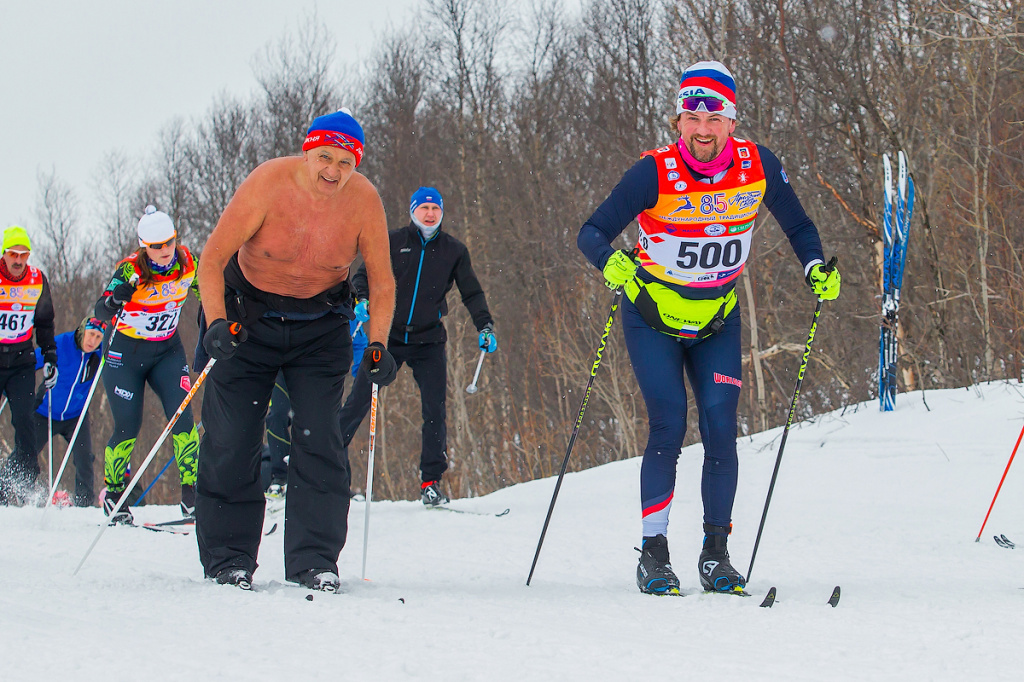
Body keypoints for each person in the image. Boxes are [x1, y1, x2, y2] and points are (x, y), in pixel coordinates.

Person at [577, 61, 840, 595]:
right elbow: (592, 232)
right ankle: (654, 554)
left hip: (718, 318)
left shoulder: (758, 164)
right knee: (669, 424)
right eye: (692, 116)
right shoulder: (652, 172)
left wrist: (815, 268)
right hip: (652, 319)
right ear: (678, 121)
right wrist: (611, 263)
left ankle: (715, 555)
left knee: (722, 429)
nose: (702, 128)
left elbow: (800, 225)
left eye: (713, 116)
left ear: (731, 121)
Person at [195, 109, 397, 592]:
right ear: (308, 151)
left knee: (320, 440)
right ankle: (229, 558)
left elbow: (385, 281)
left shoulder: (364, 201)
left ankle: (314, 559)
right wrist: (217, 322)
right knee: (233, 438)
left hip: (319, 327)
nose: (333, 170)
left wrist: (379, 345)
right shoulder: (268, 182)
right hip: (249, 320)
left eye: (344, 162)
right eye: (325, 157)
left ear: (357, 164)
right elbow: (212, 257)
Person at [338, 186, 497, 506]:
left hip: (429, 339)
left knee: (434, 410)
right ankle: (325, 468)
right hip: (389, 335)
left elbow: (472, 293)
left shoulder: (454, 250)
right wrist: (362, 299)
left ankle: (431, 482)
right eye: (424, 208)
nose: (430, 214)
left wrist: (485, 325)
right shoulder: (393, 241)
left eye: (435, 209)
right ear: (413, 212)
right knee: (359, 399)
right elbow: (362, 275)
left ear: (442, 213)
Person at [93, 206, 201, 524]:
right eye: (156, 246)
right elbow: (101, 310)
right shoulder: (130, 271)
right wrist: (114, 300)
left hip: (167, 352)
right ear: (144, 246)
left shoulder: (188, 263)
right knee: (128, 426)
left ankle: (192, 495)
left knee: (182, 419)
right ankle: (114, 494)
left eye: (169, 242)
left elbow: (207, 294)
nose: (165, 251)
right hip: (125, 356)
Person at [261, 319, 367, 498]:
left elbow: (359, 343)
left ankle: (338, 482)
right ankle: (279, 477)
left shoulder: (343, 308)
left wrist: (360, 371)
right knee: (277, 416)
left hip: (316, 368)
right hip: (283, 367)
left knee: (330, 423)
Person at [0, 226, 58, 506]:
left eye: (23, 255)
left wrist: (50, 359)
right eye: (13, 254)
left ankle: (23, 484)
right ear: (5, 254)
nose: (18, 260)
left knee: (25, 422)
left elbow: (45, 323)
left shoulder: (37, 280)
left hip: (22, 360)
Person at [28, 317, 106, 507]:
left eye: (98, 337)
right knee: (26, 452)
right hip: (45, 411)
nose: (93, 341)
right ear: (81, 331)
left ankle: (84, 504)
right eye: (90, 335)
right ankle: (9, 494)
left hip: (76, 416)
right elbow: (30, 363)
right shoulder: (61, 344)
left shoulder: (101, 352)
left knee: (85, 458)